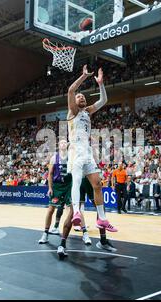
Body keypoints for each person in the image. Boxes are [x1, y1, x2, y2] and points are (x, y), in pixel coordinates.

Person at [59, 65, 117, 259]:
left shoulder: (87, 112)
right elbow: (70, 90)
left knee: (98, 185)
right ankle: (74, 219)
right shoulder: (73, 113)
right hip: (75, 154)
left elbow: (104, 100)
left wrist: (100, 84)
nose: (81, 97)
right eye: (79, 97)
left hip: (88, 154)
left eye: (83, 96)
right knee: (76, 186)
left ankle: (102, 219)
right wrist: (84, 76)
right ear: (74, 102)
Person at [38, 139, 92, 245]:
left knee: (76, 209)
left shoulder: (72, 156)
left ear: (67, 145)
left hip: (69, 185)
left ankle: (85, 234)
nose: (63, 143)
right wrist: (50, 188)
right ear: (59, 145)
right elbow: (50, 174)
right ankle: (45, 234)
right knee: (50, 210)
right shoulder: (54, 157)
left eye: (65, 142)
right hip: (57, 186)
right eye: (61, 142)